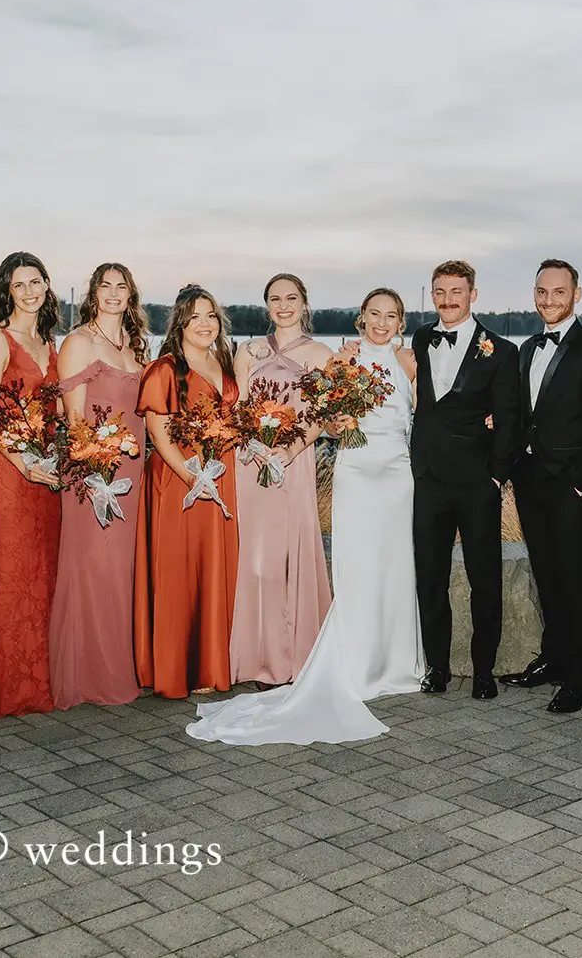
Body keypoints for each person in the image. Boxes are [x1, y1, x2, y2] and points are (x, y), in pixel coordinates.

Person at [187, 288, 424, 744]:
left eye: (391, 315)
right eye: (374, 313)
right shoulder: (338, 358)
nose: (381, 321)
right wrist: (329, 427)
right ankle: (294, 657)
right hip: (343, 470)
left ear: (400, 320)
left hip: (394, 473)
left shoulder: (408, 359)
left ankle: (396, 662)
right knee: (339, 564)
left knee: (397, 565)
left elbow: (428, 409)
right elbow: (327, 416)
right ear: (360, 317)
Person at [500, 260, 582, 713]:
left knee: (575, 576)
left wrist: (581, 480)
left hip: (571, 486)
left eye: (559, 292)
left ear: (577, 294)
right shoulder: (526, 348)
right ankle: (552, 658)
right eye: (542, 292)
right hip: (530, 482)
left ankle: (579, 675)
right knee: (546, 574)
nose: (549, 300)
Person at [410, 260, 522, 698]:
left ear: (473, 294)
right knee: (430, 577)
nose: (448, 300)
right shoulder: (421, 338)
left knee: (485, 577)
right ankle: (436, 667)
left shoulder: (501, 350)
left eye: (456, 291)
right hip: (430, 479)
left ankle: (483, 671)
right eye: (440, 291)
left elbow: (510, 421)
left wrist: (496, 476)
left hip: (478, 482)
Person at [50, 263, 148, 710]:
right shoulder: (78, 343)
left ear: (131, 295)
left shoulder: (135, 345)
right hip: (96, 473)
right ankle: (90, 673)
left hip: (133, 471)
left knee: (120, 568)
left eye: (120, 287)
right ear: (93, 293)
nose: (112, 293)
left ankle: (117, 662)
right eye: (104, 286)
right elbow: (72, 420)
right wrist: (95, 471)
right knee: (93, 565)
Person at [227, 273, 334, 686]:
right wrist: (256, 445)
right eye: (275, 299)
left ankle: (294, 655)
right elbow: (238, 408)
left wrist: (289, 450)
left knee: (288, 555)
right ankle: (256, 657)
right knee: (256, 560)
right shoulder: (248, 351)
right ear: (266, 305)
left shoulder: (321, 353)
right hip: (251, 464)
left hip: (294, 463)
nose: (283, 305)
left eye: (291, 298)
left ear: (304, 303)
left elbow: (322, 416)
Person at [134, 286, 240, 699]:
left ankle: (211, 664)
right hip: (183, 481)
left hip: (221, 476)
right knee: (179, 571)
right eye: (195, 316)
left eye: (211, 315)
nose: (205, 324)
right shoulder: (165, 369)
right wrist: (196, 478)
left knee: (214, 566)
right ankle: (180, 668)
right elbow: (158, 433)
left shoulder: (221, 360)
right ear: (180, 321)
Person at [0, 252, 62, 718]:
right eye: (18, 284)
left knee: (42, 571)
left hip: (44, 468)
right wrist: (21, 462)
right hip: (8, 470)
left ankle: (41, 680)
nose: (28, 291)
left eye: (35, 282)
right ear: (7, 291)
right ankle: (10, 688)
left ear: (47, 285)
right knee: (11, 572)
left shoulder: (49, 341)